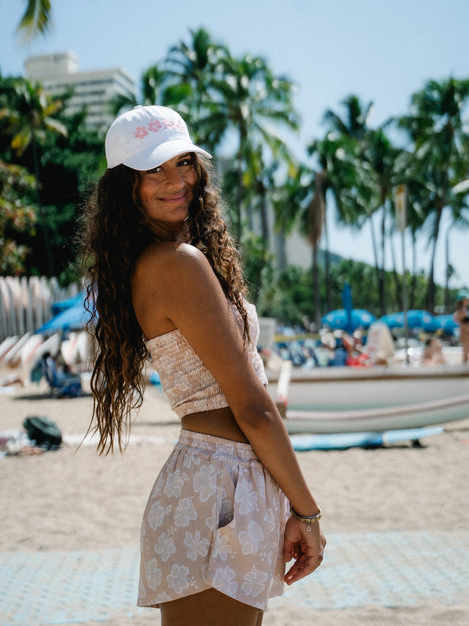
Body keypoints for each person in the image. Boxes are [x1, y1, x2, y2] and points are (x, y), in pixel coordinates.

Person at [82, 105, 325, 626]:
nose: (176, 181)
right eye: (153, 170)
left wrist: (282, 501)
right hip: (220, 490)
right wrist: (307, 512)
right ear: (126, 186)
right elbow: (253, 407)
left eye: (183, 163)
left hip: (222, 483)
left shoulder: (164, 259)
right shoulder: (177, 264)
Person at [454, 290, 469, 364]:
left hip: (465, 333)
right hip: (465, 333)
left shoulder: (463, 310)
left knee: (466, 352)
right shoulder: (460, 311)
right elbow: (456, 319)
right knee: (466, 353)